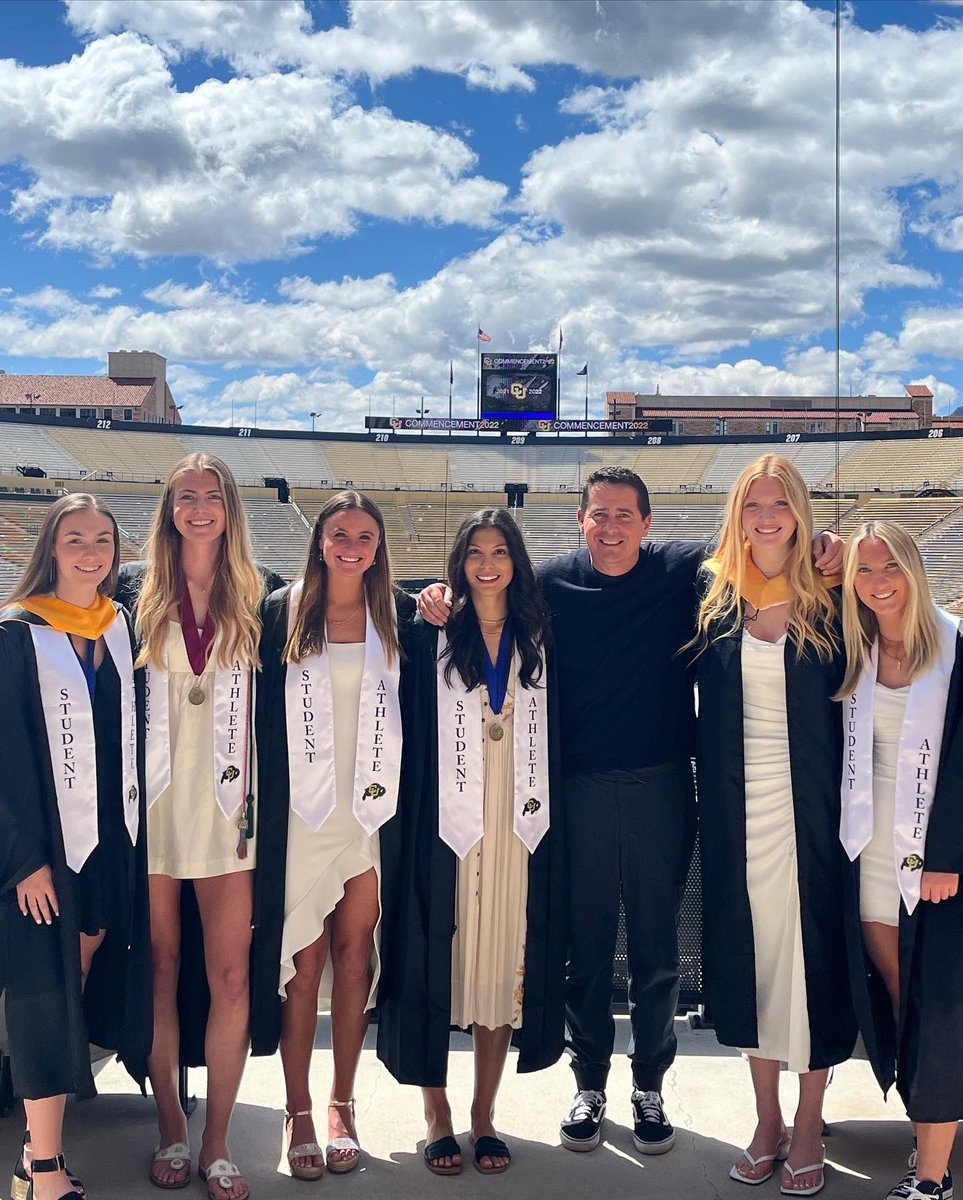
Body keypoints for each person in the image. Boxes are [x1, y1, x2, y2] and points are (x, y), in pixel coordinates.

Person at [418, 466, 843, 1157]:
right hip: (576, 791)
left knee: (654, 952)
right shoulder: (550, 583)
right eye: (597, 515)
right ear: (580, 521)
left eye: (623, 516)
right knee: (585, 953)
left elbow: (761, 543)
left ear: (647, 525)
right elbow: (481, 596)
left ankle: (650, 1084)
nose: (609, 527)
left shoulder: (683, 572)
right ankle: (588, 1084)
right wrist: (435, 595)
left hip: (663, 785)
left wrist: (828, 543)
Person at [115, 454, 282, 1200]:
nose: (199, 507)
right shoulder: (131, 593)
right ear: (169, 509)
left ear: (229, 507)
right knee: (157, 969)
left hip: (230, 813)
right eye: (185, 495)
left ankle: (216, 1140)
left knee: (231, 974)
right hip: (150, 809)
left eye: (211, 495)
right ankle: (170, 1128)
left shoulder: (262, 593)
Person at [379, 508, 564, 1176]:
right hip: (445, 826)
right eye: (475, 553)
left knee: (501, 971)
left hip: (517, 824)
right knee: (437, 960)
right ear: (457, 565)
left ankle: (484, 1115)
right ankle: (438, 1115)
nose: (487, 565)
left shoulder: (540, 637)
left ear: (517, 561)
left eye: (500, 552)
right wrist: (423, 595)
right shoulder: (429, 631)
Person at [691, 455, 856, 1196]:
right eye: (753, 503)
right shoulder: (712, 597)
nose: (766, 517)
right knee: (749, 962)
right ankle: (766, 1121)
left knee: (810, 960)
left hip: (812, 813)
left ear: (799, 514)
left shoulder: (832, 593)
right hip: (737, 811)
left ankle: (810, 1121)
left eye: (780, 504)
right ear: (737, 512)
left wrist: (849, 556)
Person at [252, 491, 413, 1179]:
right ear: (320, 540)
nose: (352, 544)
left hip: (373, 815)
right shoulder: (276, 614)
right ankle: (299, 1112)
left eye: (366, 535)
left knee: (356, 960)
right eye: (340, 532)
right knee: (304, 966)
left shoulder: (400, 615)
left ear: (378, 547)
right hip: (302, 816)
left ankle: (343, 1102)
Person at [0, 494, 150, 1200]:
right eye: (74, 540)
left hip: (108, 846)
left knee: (74, 990)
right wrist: (24, 857)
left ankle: (40, 1150)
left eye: (102, 540)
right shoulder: (16, 633)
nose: (90, 553)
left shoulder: (118, 627)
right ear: (50, 550)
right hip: (43, 856)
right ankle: (46, 1168)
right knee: (44, 995)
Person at [838, 521, 963, 1200]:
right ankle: (927, 1128)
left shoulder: (955, 647)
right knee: (895, 997)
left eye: (890, 567)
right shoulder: (854, 647)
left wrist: (947, 853)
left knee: (934, 1005)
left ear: (914, 570)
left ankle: (932, 1173)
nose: (878, 581)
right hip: (869, 850)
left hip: (934, 859)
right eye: (863, 570)